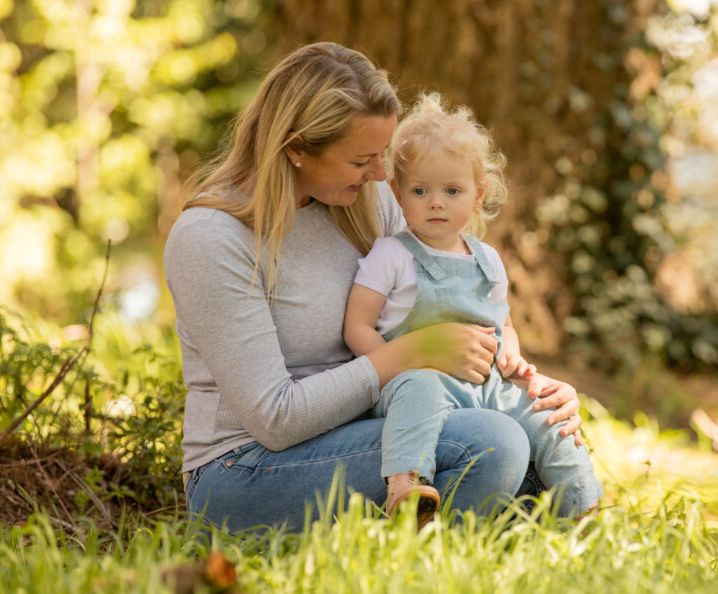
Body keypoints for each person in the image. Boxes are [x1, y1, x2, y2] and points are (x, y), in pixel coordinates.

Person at [164, 42, 584, 532]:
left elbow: (452, 320)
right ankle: (426, 559)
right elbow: (275, 420)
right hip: (246, 470)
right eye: (363, 159)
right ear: (296, 148)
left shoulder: (368, 200)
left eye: (383, 155)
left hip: (369, 432)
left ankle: (455, 537)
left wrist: (524, 387)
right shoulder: (212, 238)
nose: (381, 174)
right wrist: (410, 351)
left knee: (534, 431)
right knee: (491, 444)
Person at [344, 94, 602, 523]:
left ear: (478, 195)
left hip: (485, 384)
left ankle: (583, 511)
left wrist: (512, 355)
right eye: (420, 191)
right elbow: (356, 325)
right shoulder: (391, 254)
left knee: (549, 415)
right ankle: (406, 488)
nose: (436, 203)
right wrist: (389, 367)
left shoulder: (488, 259)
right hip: (417, 379)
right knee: (419, 390)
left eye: (452, 190)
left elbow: (503, 321)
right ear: (398, 194)